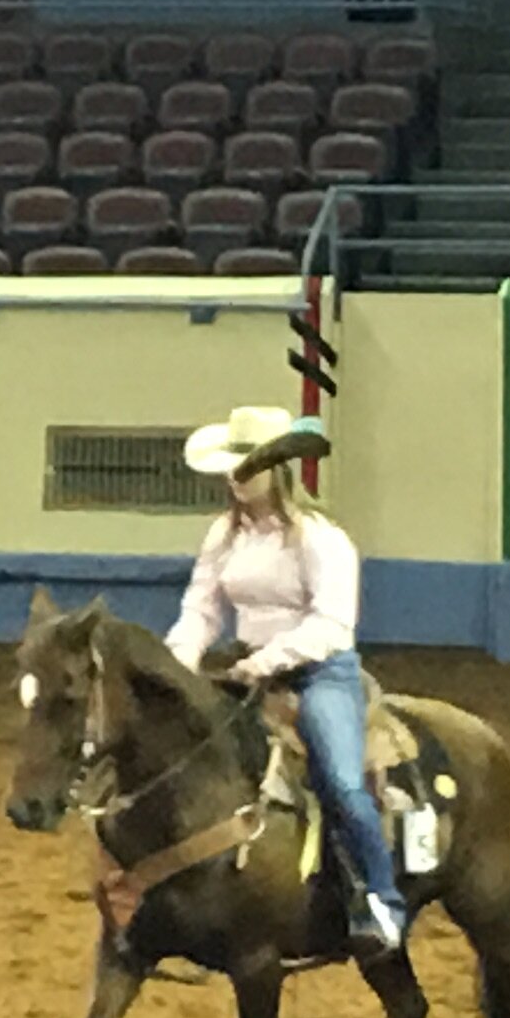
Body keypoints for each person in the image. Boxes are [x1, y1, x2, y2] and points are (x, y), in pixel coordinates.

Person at [169, 402, 405, 955]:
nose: (238, 477)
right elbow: (201, 607)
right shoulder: (224, 535)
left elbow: (331, 624)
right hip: (247, 668)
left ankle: (382, 901)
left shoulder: (321, 538)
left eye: (249, 465)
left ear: (279, 469)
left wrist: (263, 661)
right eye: (233, 466)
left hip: (318, 674)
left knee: (343, 782)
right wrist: (177, 663)